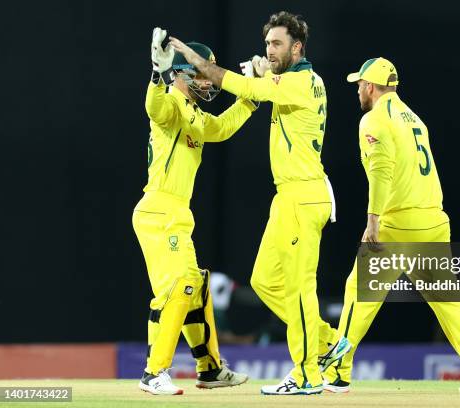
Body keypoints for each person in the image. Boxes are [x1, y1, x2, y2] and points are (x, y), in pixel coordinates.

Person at [169, 11, 351, 395]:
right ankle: (328, 344)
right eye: (267, 43)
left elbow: (243, 87)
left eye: (277, 44)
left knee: (300, 288)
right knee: (264, 281)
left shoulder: (303, 82)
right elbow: (265, 84)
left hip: (303, 195)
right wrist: (263, 73)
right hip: (289, 196)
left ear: (297, 47)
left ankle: (306, 374)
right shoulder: (294, 80)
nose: (269, 50)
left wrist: (198, 62)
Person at [321, 57, 460, 394]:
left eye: (360, 84)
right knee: (449, 298)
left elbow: (381, 172)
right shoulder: (414, 117)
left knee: (359, 294)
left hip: (398, 222)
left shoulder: (373, 119)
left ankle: (337, 372)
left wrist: (372, 220)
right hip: (433, 220)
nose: (358, 89)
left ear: (371, 87)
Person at [133, 27, 254, 395]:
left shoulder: (194, 114)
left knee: (196, 287)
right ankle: (154, 373)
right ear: (182, 73)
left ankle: (210, 369)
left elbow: (220, 129)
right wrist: (158, 73)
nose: (208, 81)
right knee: (178, 287)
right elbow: (153, 108)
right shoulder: (170, 103)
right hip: (158, 211)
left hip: (176, 214)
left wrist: (249, 100)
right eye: (201, 73)